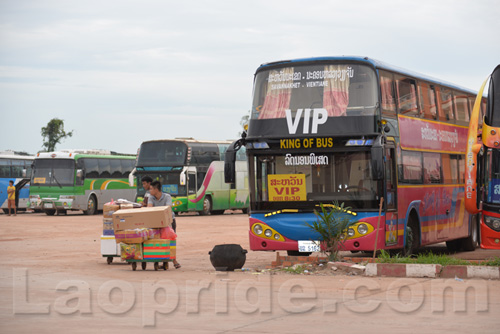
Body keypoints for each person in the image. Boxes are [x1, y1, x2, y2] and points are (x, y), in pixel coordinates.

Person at [148, 180, 181, 269]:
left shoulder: (167, 197)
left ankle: (174, 260)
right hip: (156, 222)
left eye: (151, 189)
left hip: (169, 221)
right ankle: (160, 260)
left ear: (156, 189)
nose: (149, 191)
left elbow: (167, 209)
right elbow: (149, 209)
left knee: (170, 240)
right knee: (158, 241)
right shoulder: (151, 197)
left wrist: (157, 212)